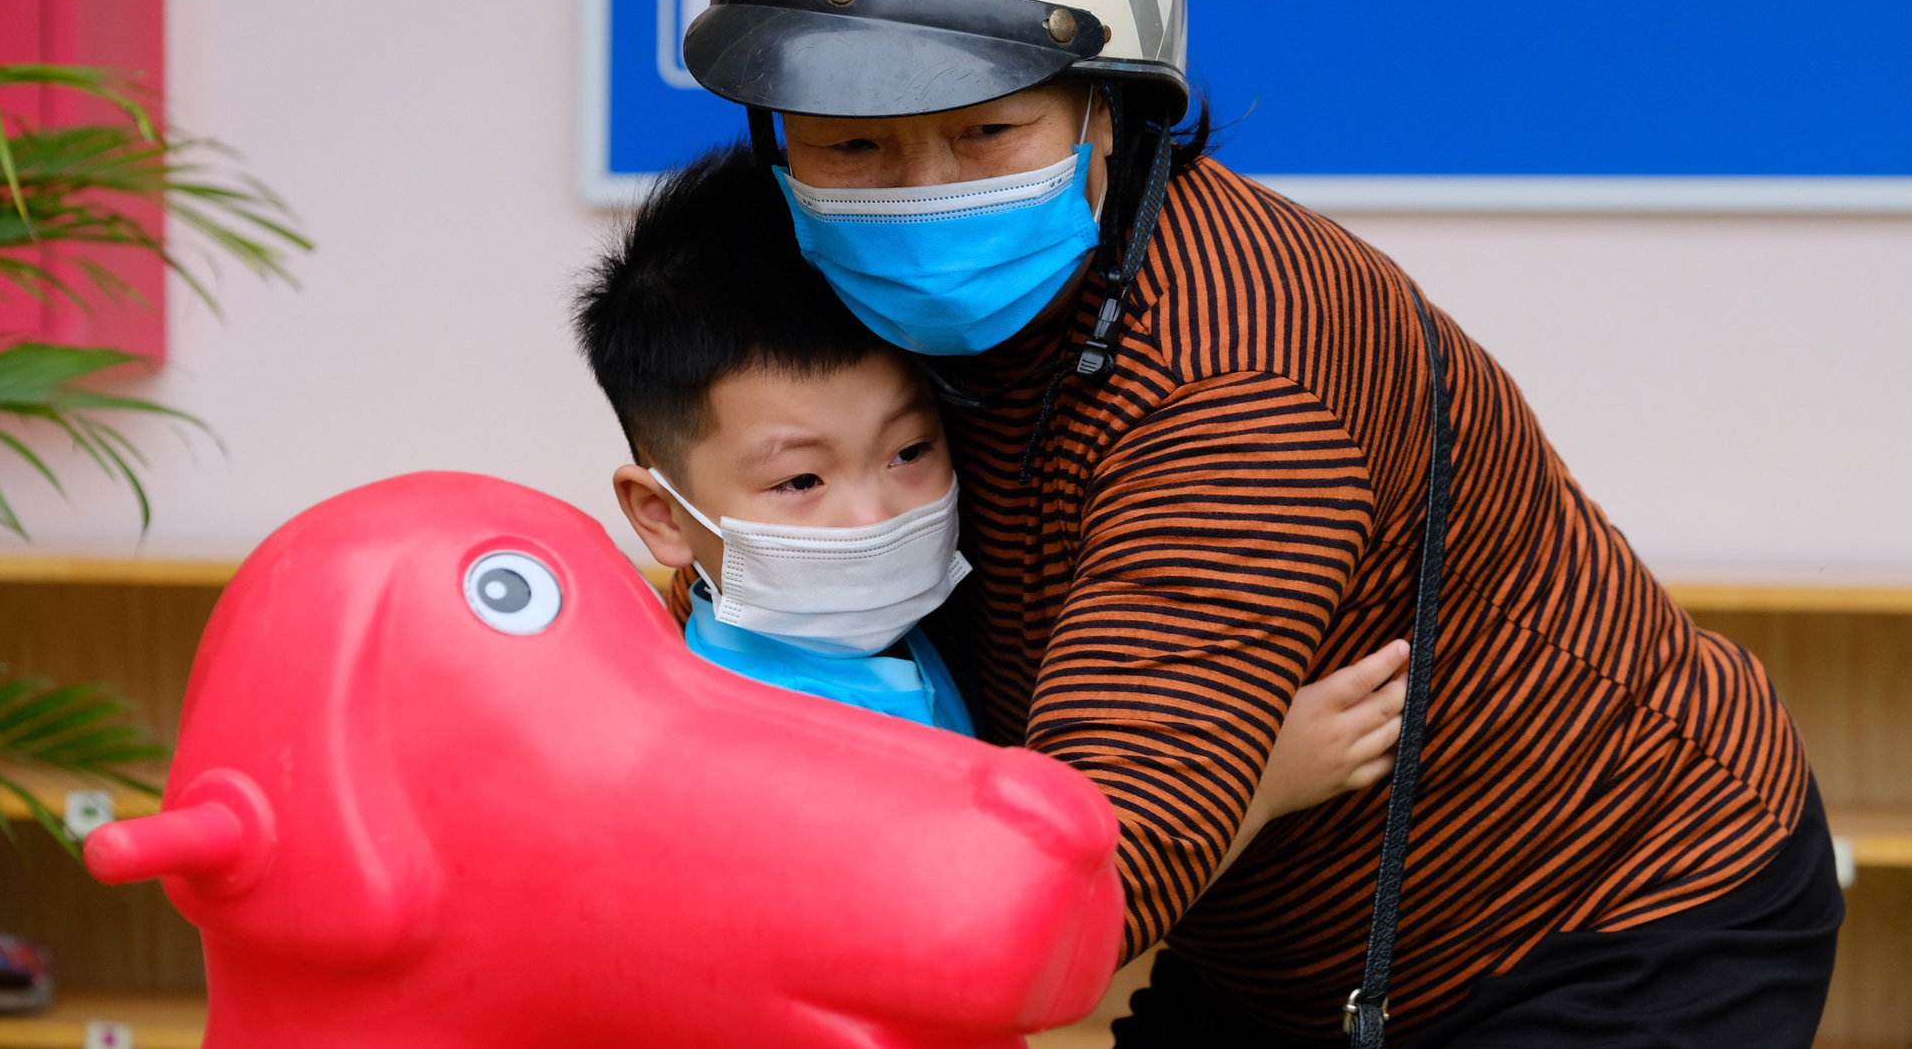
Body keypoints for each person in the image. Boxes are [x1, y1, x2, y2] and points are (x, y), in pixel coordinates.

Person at [678, 0, 1844, 1047]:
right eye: (854, 146)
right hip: (1270, 922)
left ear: (1112, 114)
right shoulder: (824, 279)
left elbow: (1059, 885)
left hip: (1607, 911)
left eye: (984, 132)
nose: (919, 194)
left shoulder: (1237, 381)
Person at [572, 147, 1409, 840]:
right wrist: (1257, 786)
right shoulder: (745, 751)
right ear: (661, 513)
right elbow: (984, 927)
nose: (874, 516)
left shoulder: (870, 648)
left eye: (910, 450)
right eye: (800, 480)